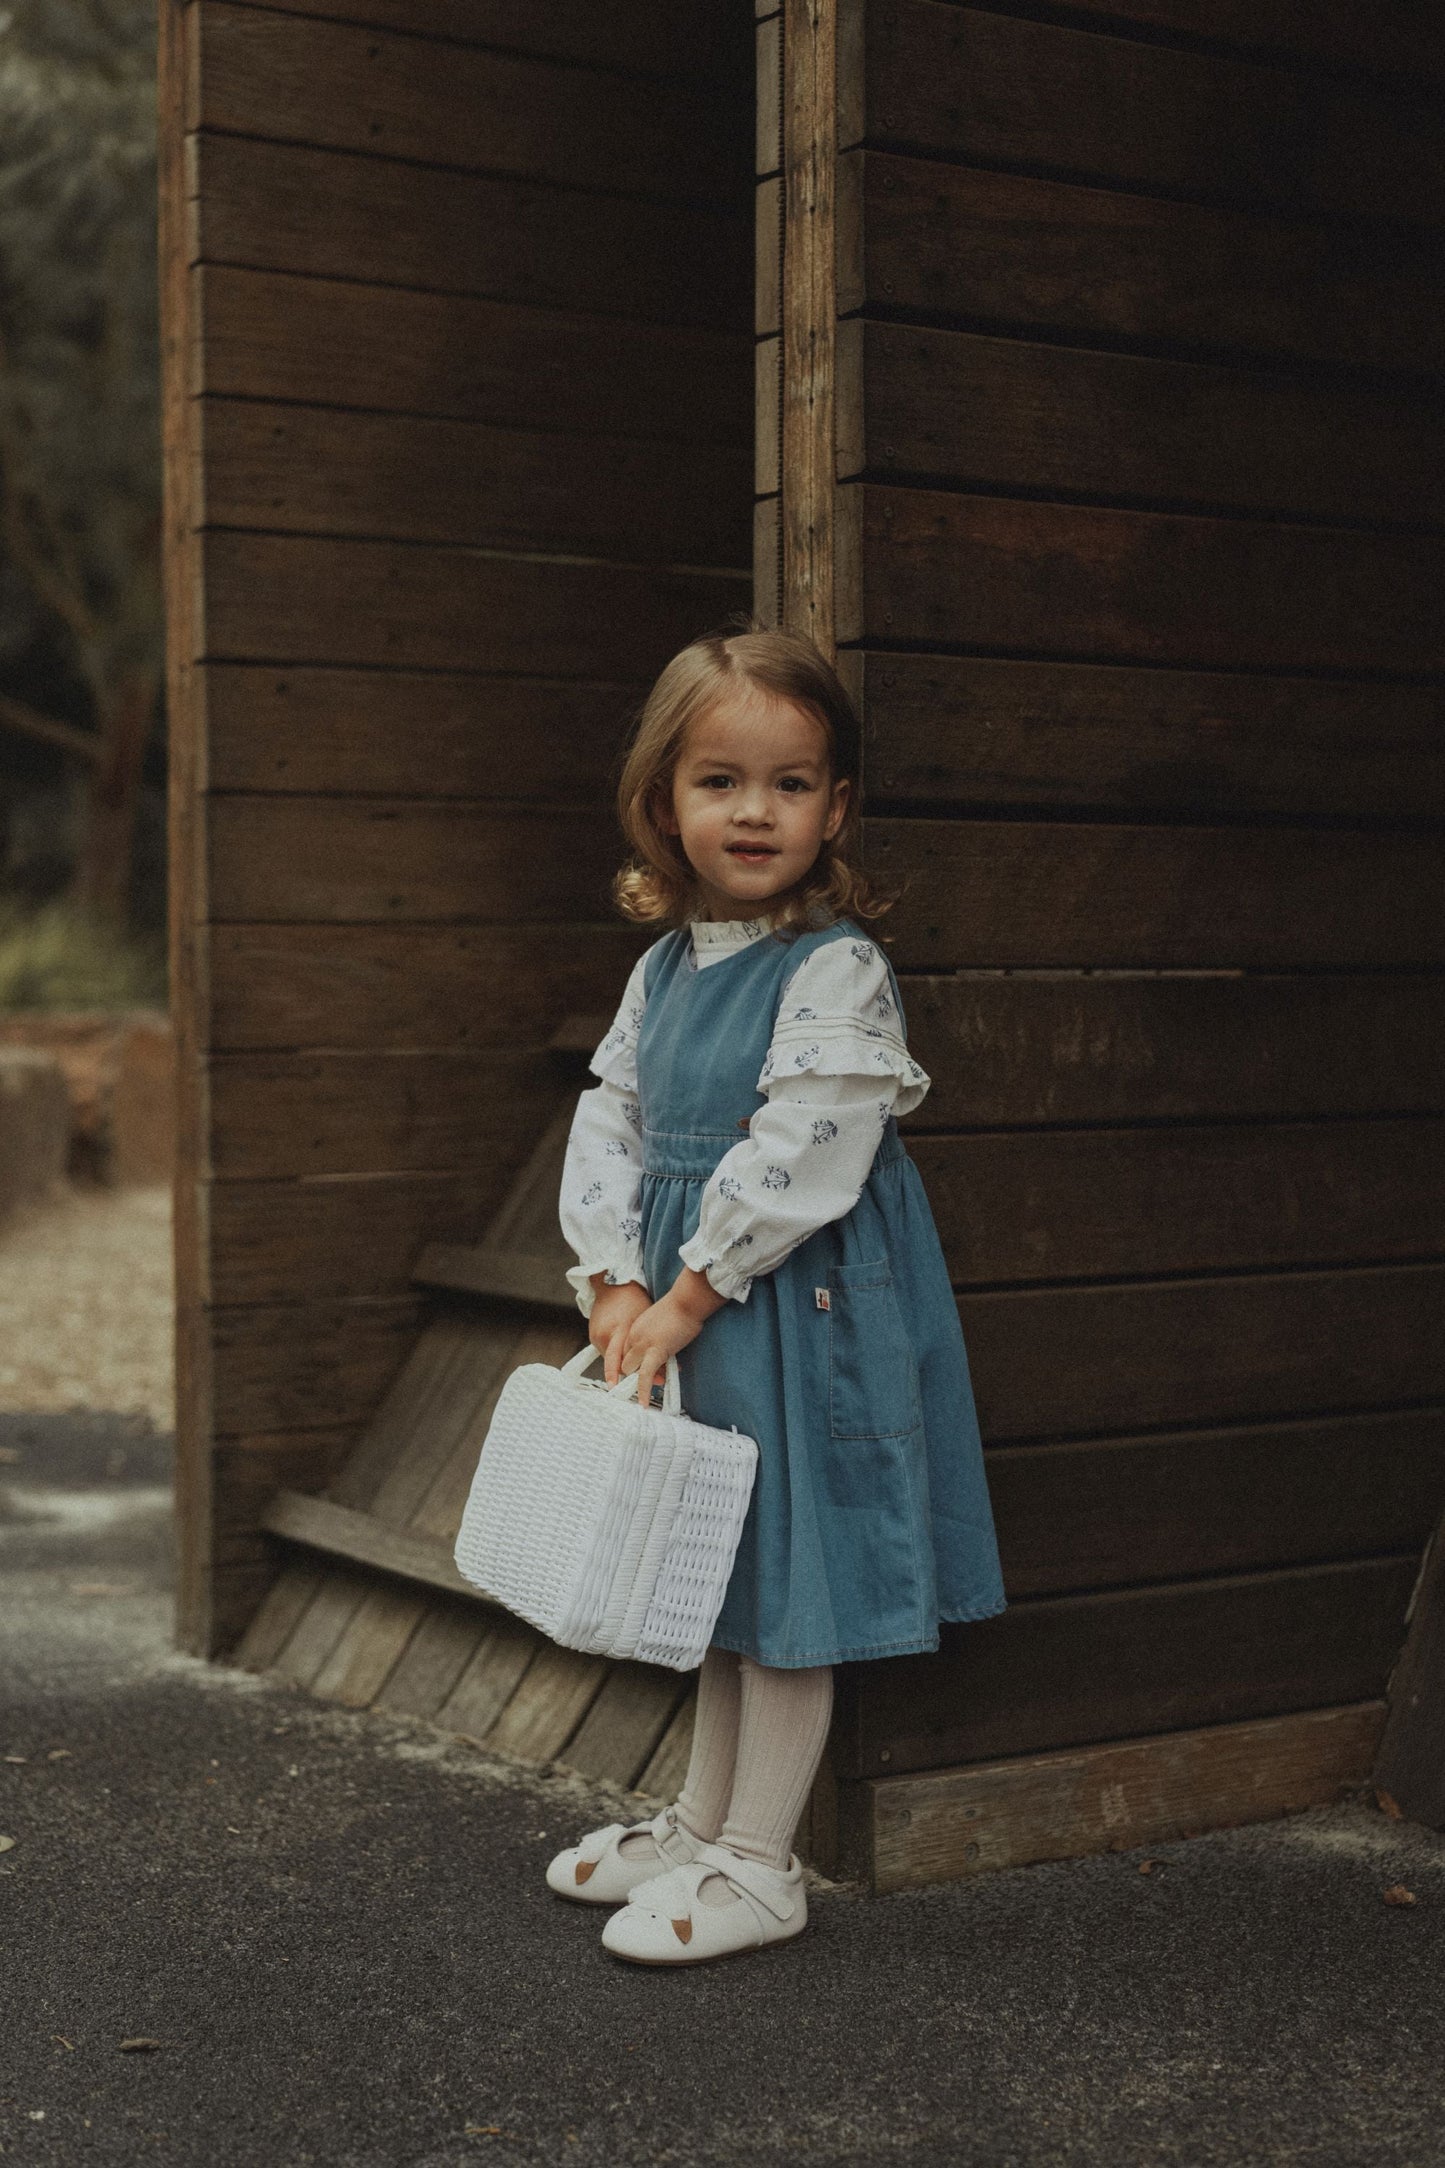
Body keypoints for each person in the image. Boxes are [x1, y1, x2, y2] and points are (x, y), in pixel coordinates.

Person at [548, 619, 1007, 1964]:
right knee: (713, 1558)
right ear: (662, 803)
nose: (755, 810)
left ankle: (762, 1858)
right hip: (688, 1297)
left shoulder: (833, 969)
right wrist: (611, 1279)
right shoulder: (664, 966)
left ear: (835, 806)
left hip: (796, 1302)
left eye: (790, 783)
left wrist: (687, 1293)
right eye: (719, 781)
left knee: (788, 1562)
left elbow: (807, 1149)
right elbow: (610, 1121)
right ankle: (700, 1821)